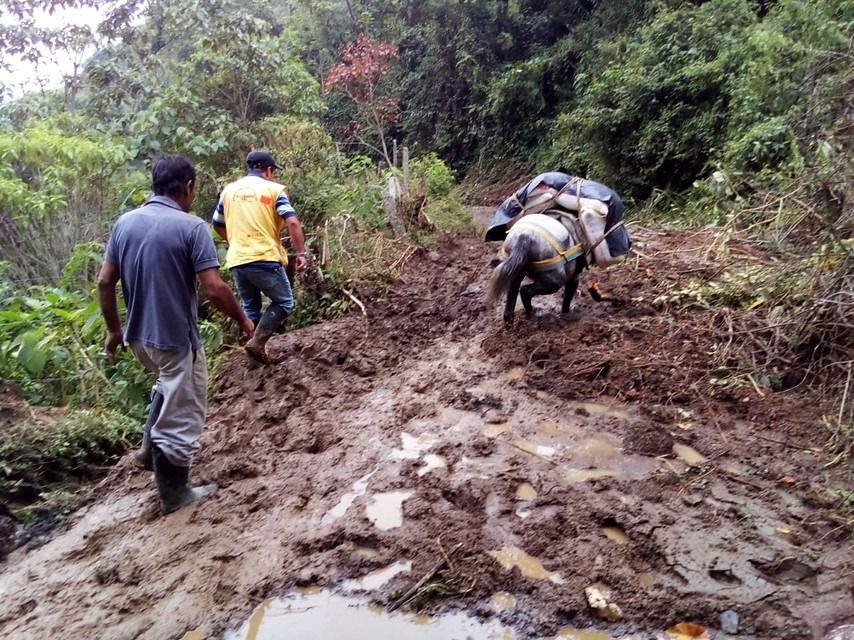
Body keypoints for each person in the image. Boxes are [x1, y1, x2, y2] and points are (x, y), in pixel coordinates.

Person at [98, 155, 254, 515]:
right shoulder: (191, 227)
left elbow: (105, 281)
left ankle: (147, 451)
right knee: (183, 414)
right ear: (188, 187)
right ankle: (175, 494)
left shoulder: (125, 223)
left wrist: (113, 331)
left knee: (165, 384)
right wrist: (243, 321)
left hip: (138, 338)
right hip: (174, 339)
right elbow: (214, 289)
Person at [212, 150, 308, 364]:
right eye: (273, 172)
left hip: (237, 259)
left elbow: (217, 223)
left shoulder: (229, 191)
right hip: (264, 256)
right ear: (269, 171)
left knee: (250, 307)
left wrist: (235, 240)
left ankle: (252, 359)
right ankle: (257, 343)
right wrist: (301, 253)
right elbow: (292, 221)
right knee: (284, 302)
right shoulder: (273, 190)